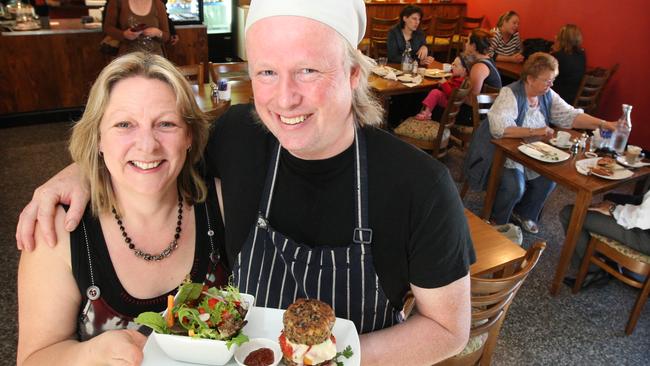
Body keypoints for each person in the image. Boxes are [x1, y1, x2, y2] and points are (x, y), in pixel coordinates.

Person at [16, 1, 476, 364]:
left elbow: (448, 330)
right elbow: (155, 146)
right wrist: (79, 170)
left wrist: (328, 360)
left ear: (355, 74)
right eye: (267, 72)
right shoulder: (238, 135)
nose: (285, 97)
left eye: (309, 70)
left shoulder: (422, 186)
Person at [16, 52, 225, 365]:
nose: (147, 145)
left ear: (190, 137)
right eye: (124, 124)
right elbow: (32, 358)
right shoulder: (59, 230)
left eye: (166, 123)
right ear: (98, 138)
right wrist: (88, 354)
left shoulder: (221, 203)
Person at [487, 52, 617, 234]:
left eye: (553, 80)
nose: (551, 85)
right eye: (547, 81)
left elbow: (571, 116)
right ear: (530, 79)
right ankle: (497, 220)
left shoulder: (547, 95)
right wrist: (536, 131)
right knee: (515, 186)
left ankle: (524, 214)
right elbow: (500, 129)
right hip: (508, 153)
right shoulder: (510, 93)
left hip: (534, 151)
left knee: (548, 180)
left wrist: (604, 123)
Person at [561, 190, 650, 288]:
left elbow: (641, 218)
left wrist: (613, 209)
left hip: (645, 235)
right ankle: (601, 258)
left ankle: (592, 271)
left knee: (570, 213)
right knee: (610, 197)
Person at [454, 28, 502, 125]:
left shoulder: (479, 67)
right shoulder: (488, 60)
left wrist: (453, 95)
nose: (466, 44)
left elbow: (472, 101)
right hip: (486, 113)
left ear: (474, 46)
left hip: (479, 117)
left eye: (468, 41)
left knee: (438, 107)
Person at [103, 0, 170, 56]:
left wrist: (157, 32)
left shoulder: (158, 4)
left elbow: (166, 36)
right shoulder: (117, 2)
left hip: (155, 58)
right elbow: (108, 28)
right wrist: (124, 34)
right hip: (127, 57)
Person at [414, 56, 468, 120]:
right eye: (452, 63)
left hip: (450, 103)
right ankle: (426, 111)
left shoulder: (460, 81)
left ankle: (427, 113)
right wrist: (443, 85)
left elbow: (451, 94)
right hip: (449, 101)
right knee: (434, 92)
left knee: (435, 92)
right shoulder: (457, 77)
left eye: (455, 65)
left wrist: (444, 84)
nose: (452, 66)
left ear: (463, 70)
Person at [551, 24, 586, 105]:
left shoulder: (558, 56)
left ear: (562, 39)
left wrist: (555, 52)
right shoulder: (582, 54)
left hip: (558, 99)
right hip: (572, 98)